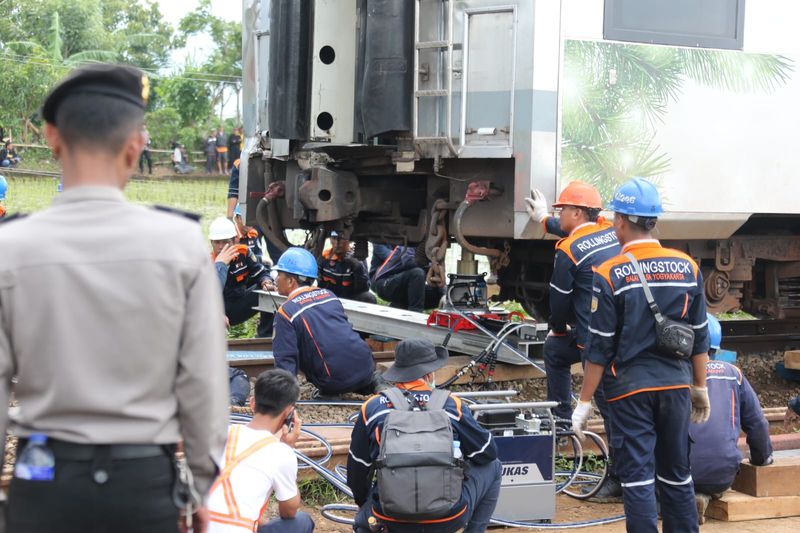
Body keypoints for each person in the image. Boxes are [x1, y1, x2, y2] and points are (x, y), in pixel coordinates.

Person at [0, 63, 229, 532]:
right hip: (145, 487)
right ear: (135, 145)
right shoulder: (181, 244)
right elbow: (204, 387)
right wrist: (198, 485)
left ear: (51, 138)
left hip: (43, 483)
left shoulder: (11, 248)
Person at [572, 177, 711, 533]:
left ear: (620, 220)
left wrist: (584, 402)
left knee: (637, 479)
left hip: (630, 392)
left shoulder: (608, 273)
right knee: (677, 474)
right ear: (653, 221)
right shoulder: (687, 267)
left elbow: (599, 347)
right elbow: (699, 337)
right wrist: (700, 387)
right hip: (676, 388)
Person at [527, 182, 622, 501]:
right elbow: (570, 231)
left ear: (577, 212)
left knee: (610, 405)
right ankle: (563, 424)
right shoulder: (608, 228)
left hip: (598, 341)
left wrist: (557, 326)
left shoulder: (567, 251)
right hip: (619, 328)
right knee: (555, 352)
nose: (558, 213)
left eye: (562, 209)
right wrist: (542, 218)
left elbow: (559, 302)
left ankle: (618, 480)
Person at [347, 339, 502, 533]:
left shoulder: (372, 408)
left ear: (399, 372)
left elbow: (357, 471)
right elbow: (488, 452)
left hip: (388, 518)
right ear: (429, 374)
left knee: (363, 521)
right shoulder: (453, 406)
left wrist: (365, 503)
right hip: (448, 517)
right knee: (494, 466)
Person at [208, 369, 315, 533]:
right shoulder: (281, 453)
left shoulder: (220, 434)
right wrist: (288, 448)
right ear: (288, 413)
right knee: (302, 521)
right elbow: (288, 512)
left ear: (252, 403)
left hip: (195, 524)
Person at [690, 313, 773, 523]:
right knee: (709, 480)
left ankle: (683, 500)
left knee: (656, 486)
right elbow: (757, 424)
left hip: (678, 472)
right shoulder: (733, 374)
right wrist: (761, 458)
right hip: (722, 474)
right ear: (716, 347)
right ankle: (706, 494)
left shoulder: (675, 375)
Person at [268, 247, 379, 399]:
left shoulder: (286, 313)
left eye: (279, 274)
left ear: (290, 281)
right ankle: (371, 383)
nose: (276, 279)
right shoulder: (329, 295)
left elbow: (285, 360)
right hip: (367, 367)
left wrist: (284, 400)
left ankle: (330, 392)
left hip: (334, 381)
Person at [211, 216, 275, 338]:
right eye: (217, 242)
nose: (221, 247)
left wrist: (266, 282)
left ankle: (264, 338)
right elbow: (205, 298)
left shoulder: (244, 253)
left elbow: (261, 273)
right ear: (211, 243)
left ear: (235, 240)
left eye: (225, 242)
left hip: (240, 302)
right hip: (218, 310)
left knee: (270, 295)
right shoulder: (208, 263)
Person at [372, 245, 444, 312]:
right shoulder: (408, 243)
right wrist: (427, 265)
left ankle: (399, 307)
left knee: (438, 294)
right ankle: (415, 314)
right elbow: (408, 262)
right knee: (417, 273)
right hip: (385, 283)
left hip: (404, 286)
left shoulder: (433, 254)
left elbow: (438, 278)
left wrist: (444, 294)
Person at [318, 231, 376, 303]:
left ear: (349, 241)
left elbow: (364, 289)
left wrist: (357, 267)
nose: (338, 242)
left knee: (368, 298)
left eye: (342, 238)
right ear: (330, 239)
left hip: (350, 298)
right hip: (328, 297)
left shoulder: (357, 258)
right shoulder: (324, 256)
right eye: (334, 238)